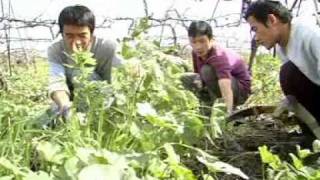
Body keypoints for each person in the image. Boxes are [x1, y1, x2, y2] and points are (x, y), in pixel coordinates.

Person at [245, 0, 320, 141]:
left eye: (255, 29)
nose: (256, 38)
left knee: (288, 72)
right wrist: (291, 100)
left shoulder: (311, 36)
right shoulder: (281, 46)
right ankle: (311, 135)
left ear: (272, 19)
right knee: (288, 74)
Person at [47, 5, 122, 117]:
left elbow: (121, 84)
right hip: (72, 99)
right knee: (53, 114)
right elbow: (57, 82)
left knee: (81, 73)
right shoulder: (55, 49)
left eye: (82, 36)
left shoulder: (109, 47)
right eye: (69, 36)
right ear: (61, 34)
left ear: (91, 34)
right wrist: (65, 107)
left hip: (105, 99)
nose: (76, 42)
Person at [181, 21, 251, 115]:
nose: (198, 47)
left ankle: (220, 108)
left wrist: (228, 113)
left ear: (211, 40)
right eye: (194, 42)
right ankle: (203, 107)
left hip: (239, 92)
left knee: (207, 70)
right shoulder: (195, 53)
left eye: (202, 41)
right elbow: (198, 75)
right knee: (185, 78)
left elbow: (225, 84)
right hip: (217, 84)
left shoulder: (218, 56)